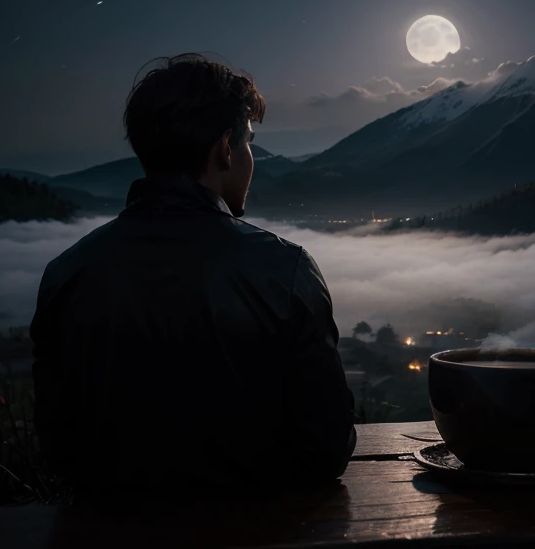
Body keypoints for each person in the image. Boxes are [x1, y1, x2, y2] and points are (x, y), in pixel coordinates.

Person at [31, 54, 356, 501]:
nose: (249, 160)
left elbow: (57, 444)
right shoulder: (284, 269)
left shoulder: (67, 272)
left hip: (105, 535)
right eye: (248, 145)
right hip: (252, 532)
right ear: (225, 149)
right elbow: (327, 448)